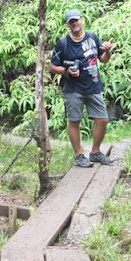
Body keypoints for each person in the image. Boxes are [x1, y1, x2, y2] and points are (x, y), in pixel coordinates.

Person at [51, 9, 113, 167]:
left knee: (103, 119)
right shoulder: (63, 43)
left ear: (82, 20)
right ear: (68, 24)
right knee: (74, 121)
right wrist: (67, 71)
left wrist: (108, 51)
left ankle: (95, 152)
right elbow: (53, 66)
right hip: (73, 89)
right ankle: (79, 155)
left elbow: (103, 60)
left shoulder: (92, 37)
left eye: (76, 20)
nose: (74, 23)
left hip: (93, 85)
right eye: (71, 21)